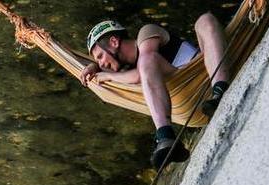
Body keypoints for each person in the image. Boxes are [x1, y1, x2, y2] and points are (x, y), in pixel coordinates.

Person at [79, 16, 230, 168]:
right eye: (98, 61)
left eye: (100, 56)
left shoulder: (146, 33)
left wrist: (107, 76)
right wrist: (93, 67)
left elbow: (141, 70)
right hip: (188, 97)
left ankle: (219, 90)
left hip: (204, 73)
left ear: (114, 42)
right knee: (145, 63)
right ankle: (167, 140)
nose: (102, 63)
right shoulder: (125, 69)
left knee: (204, 20)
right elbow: (134, 72)